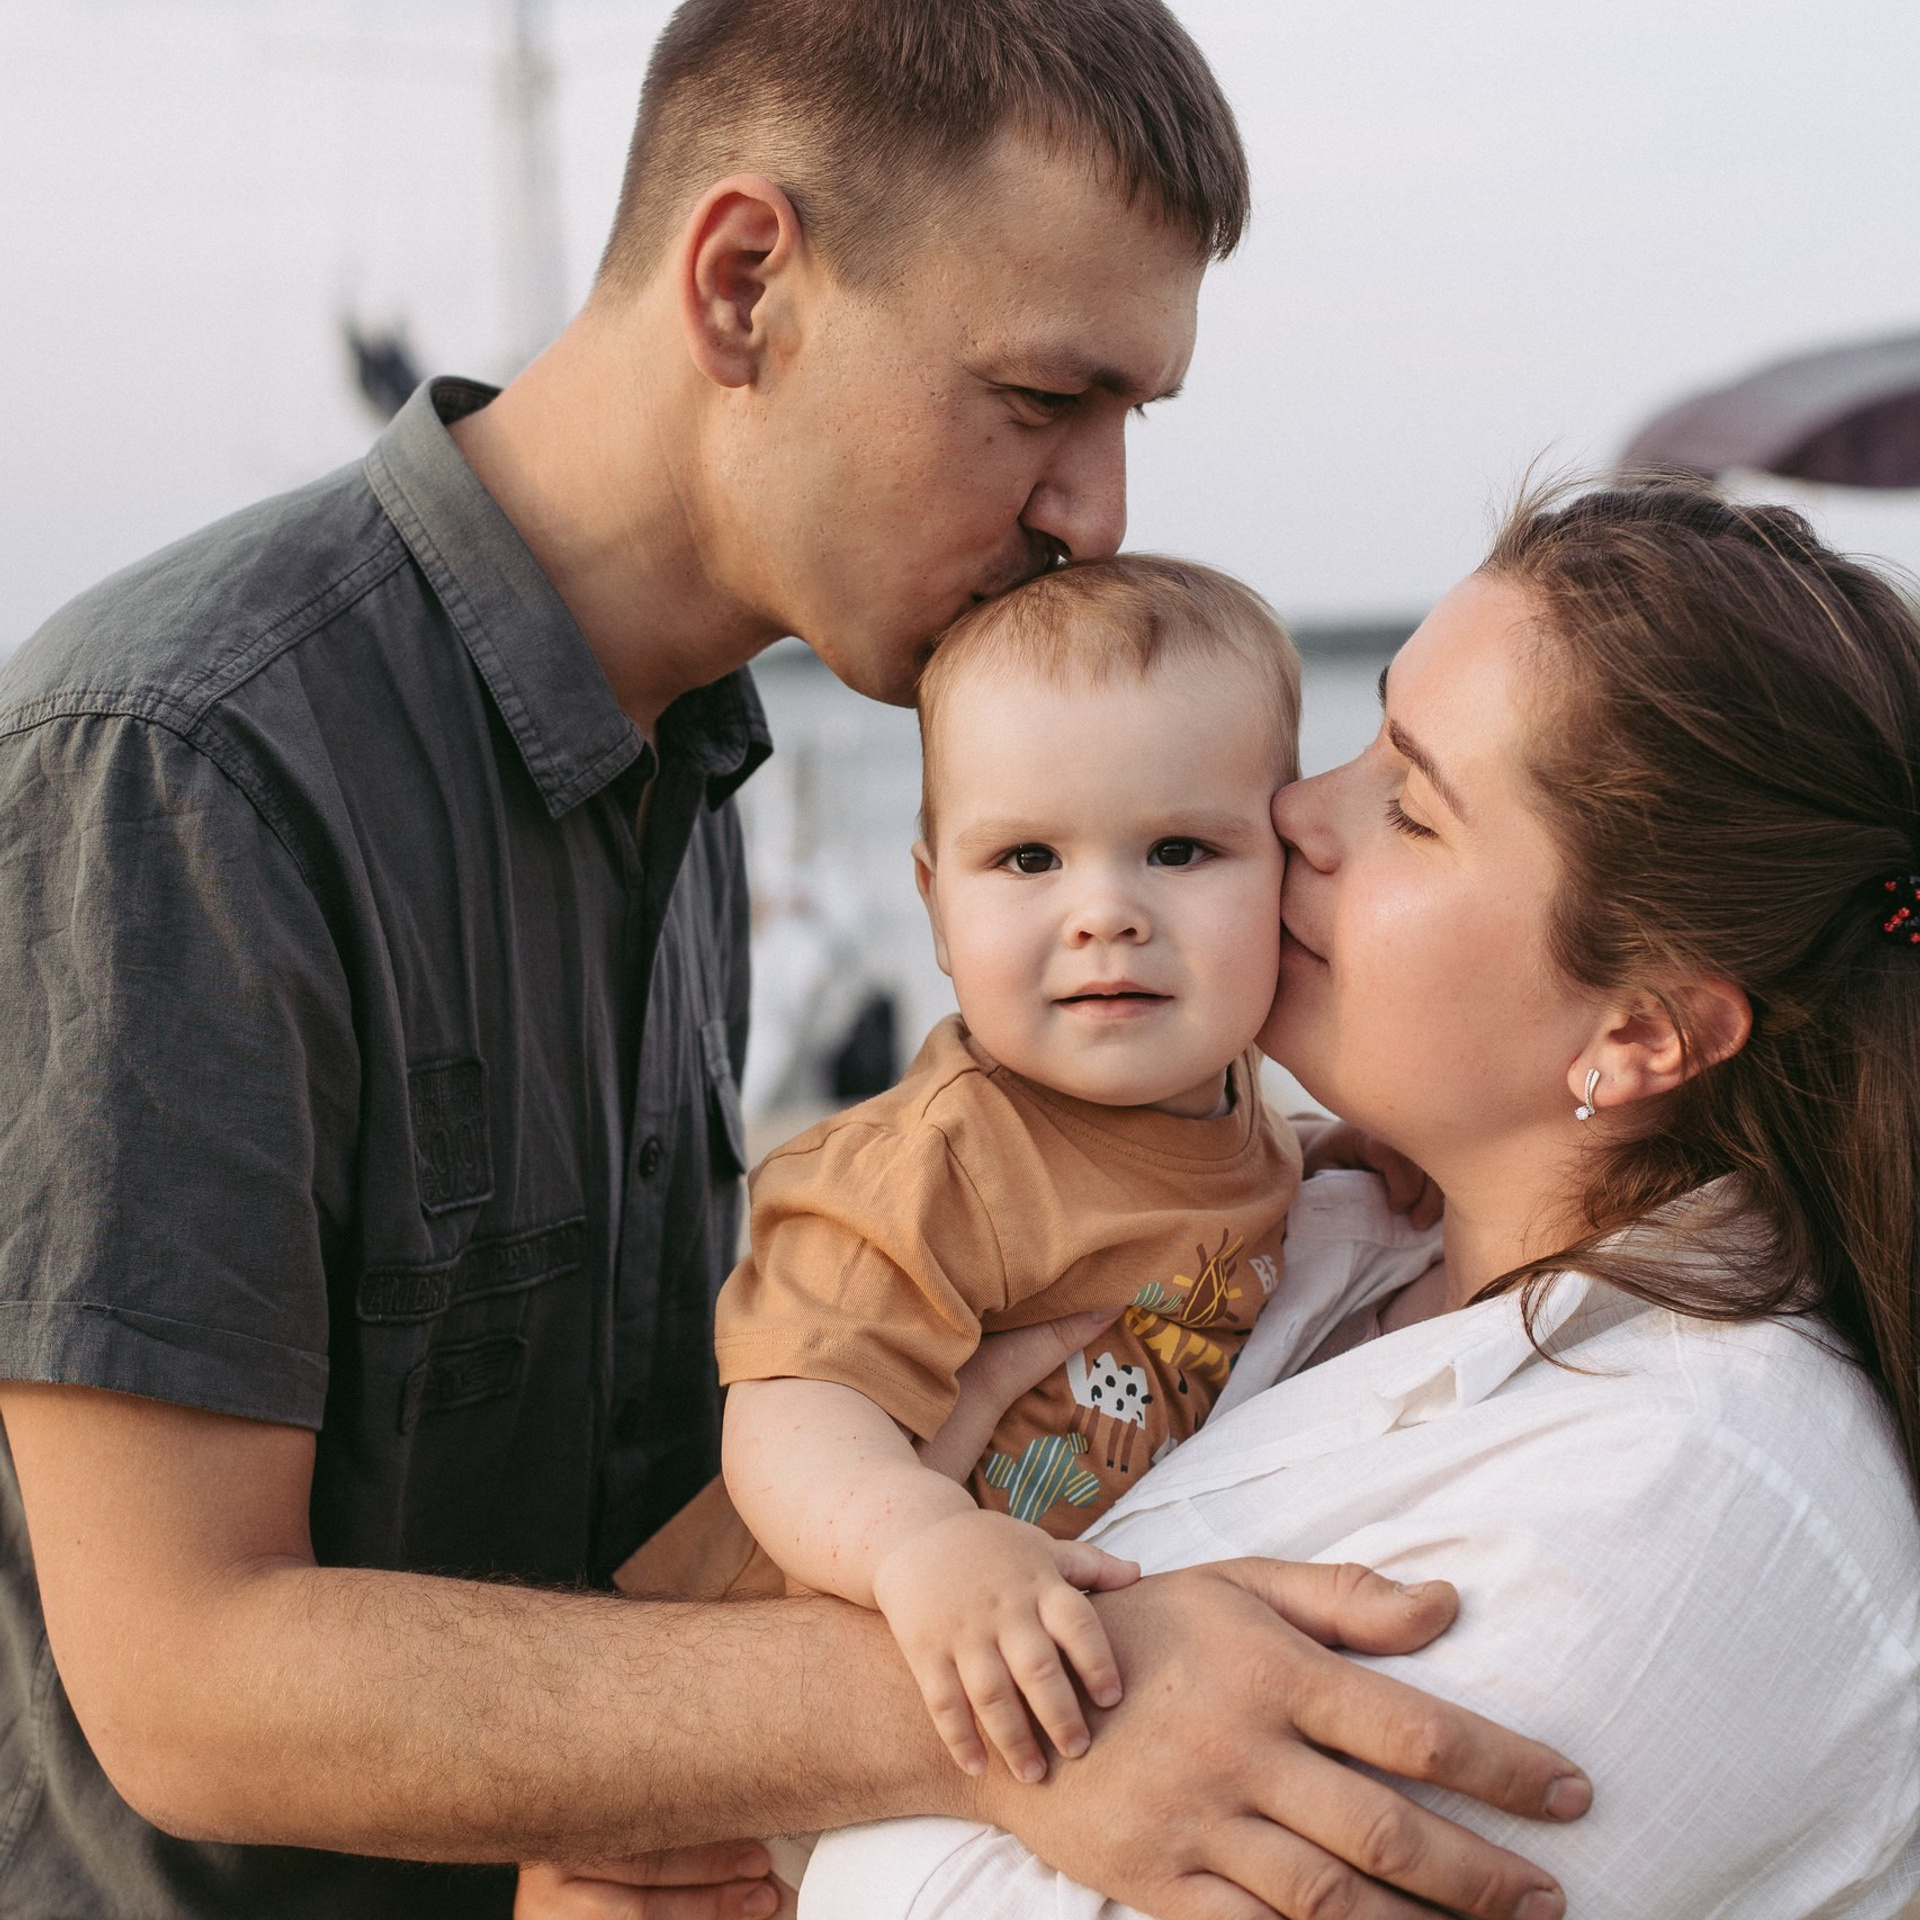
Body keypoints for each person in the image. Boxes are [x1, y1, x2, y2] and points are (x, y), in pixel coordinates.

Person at [0, 4, 1593, 1920]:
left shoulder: (694, 750)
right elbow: (183, 1684)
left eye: (1128, 421)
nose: (1096, 510)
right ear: (745, 282)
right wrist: (1046, 1709)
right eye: (1040, 398)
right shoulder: (179, 763)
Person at [794, 479, 1920, 1919]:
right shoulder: (1328, 1222)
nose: (1293, 813)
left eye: (1411, 808)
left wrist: (834, 1724)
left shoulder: (1689, 1509)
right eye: (1369, 731)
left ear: (1641, 1033)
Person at [639, 558, 1302, 1791]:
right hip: (763, 1702)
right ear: (937, 906)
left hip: (1011, 1693)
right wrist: (920, 1545)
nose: (1105, 913)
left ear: (1287, 870)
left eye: (1178, 849)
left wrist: (1348, 1153)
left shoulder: (1242, 1109)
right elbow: (790, 1408)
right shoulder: (936, 1164)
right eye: (1030, 860)